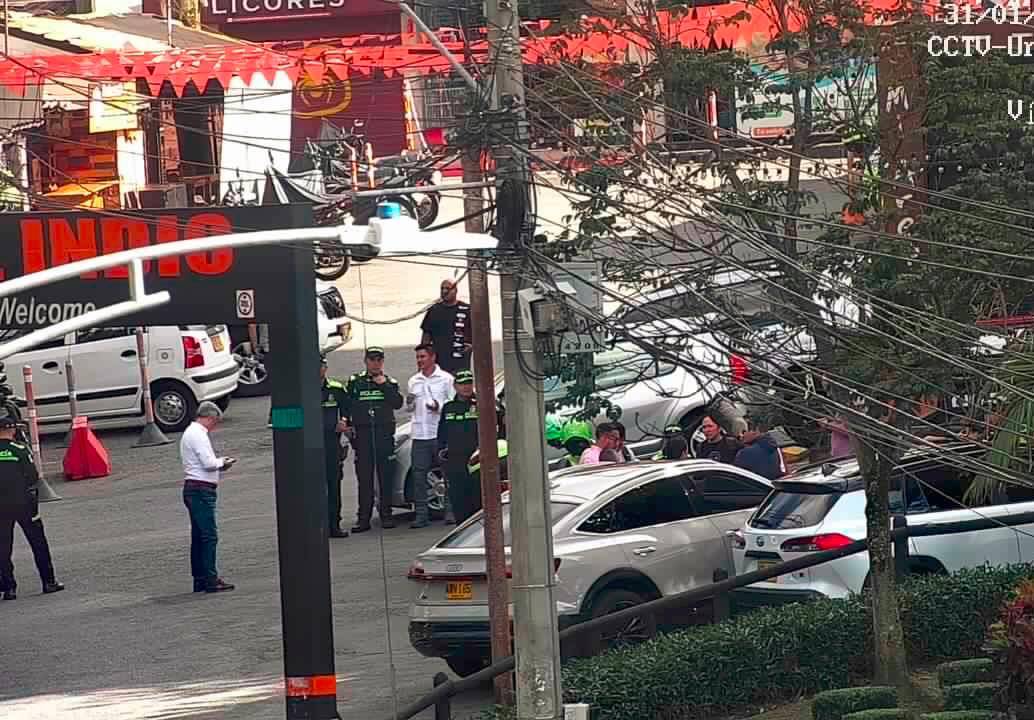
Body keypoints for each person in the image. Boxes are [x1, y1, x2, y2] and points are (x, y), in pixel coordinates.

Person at [0, 415, 63, 601]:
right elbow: (33, 476)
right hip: (24, 503)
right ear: (12, 429)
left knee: (3, 547)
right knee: (38, 543)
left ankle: (9, 588)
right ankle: (48, 582)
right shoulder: (19, 449)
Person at [345, 347, 403, 533]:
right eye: (372, 359)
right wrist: (347, 424)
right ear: (366, 361)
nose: (375, 363)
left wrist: (383, 384)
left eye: (379, 360)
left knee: (385, 477)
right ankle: (363, 518)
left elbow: (397, 403)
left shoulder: (390, 382)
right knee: (365, 478)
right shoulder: (355, 382)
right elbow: (347, 406)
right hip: (362, 436)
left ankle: (386, 515)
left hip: (383, 435)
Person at [180, 402, 236, 594]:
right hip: (201, 489)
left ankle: (200, 579)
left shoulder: (190, 433)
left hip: (194, 488)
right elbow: (208, 463)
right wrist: (223, 462)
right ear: (210, 417)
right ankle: (211, 578)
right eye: (215, 421)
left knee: (199, 536)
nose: (215, 426)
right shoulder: (198, 434)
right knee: (209, 536)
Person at [407, 344, 453, 529]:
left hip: (438, 433)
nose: (420, 360)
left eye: (423, 357)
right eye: (418, 357)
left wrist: (438, 407)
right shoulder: (413, 381)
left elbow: (451, 405)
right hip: (420, 434)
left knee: (446, 474)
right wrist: (409, 403)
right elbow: (410, 408)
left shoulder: (446, 379)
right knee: (419, 476)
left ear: (433, 357)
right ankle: (421, 515)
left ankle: (450, 511)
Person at [437, 370, 481, 525]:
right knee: (458, 501)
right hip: (455, 463)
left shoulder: (482, 404)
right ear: (455, 386)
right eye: (462, 384)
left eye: (469, 383)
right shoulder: (449, 407)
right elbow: (441, 434)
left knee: (477, 502)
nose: (466, 387)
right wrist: (441, 454)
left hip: (476, 462)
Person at [320, 356, 350, 538]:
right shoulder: (304, 388)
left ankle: (334, 525)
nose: (318, 370)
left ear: (325, 367)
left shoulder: (336, 388)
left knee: (334, 486)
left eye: (321, 366)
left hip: (332, 444)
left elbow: (347, 409)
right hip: (311, 447)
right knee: (314, 488)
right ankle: (318, 526)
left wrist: (344, 421)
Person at [420, 279, 473, 375]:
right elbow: (426, 337)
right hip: (439, 363)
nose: (444, 291)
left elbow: (478, 333)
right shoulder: (433, 310)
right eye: (442, 288)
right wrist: (423, 361)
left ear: (456, 290)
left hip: (460, 362)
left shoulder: (467, 310)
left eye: (448, 288)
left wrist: (471, 346)